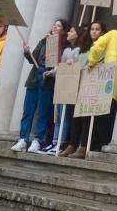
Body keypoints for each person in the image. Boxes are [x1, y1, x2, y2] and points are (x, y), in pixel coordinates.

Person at [11, 19, 66, 153]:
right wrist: (27, 51)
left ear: (63, 30)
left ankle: (38, 140)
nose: (55, 27)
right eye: (54, 25)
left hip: (47, 80)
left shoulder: (63, 45)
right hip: (34, 79)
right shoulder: (44, 41)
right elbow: (33, 58)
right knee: (28, 110)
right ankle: (23, 139)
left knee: (43, 111)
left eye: (59, 26)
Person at [86, 14, 117, 148]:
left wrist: (91, 62)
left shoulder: (113, 34)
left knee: (103, 112)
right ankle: (107, 141)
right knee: (114, 112)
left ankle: (101, 142)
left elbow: (96, 47)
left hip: (107, 76)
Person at [65, 20, 106, 159]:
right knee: (75, 116)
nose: (94, 31)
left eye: (97, 29)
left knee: (86, 117)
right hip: (79, 83)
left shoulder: (102, 46)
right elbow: (79, 62)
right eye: (92, 29)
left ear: (102, 32)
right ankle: (72, 144)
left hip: (92, 84)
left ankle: (83, 146)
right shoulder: (84, 47)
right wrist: (72, 63)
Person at [45, 24, 83, 154]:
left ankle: (61, 142)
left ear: (77, 34)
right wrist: (52, 72)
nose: (68, 33)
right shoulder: (67, 50)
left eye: (71, 31)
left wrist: (74, 63)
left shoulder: (79, 50)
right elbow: (61, 66)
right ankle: (54, 142)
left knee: (66, 114)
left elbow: (80, 65)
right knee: (59, 114)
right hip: (62, 83)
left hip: (71, 85)